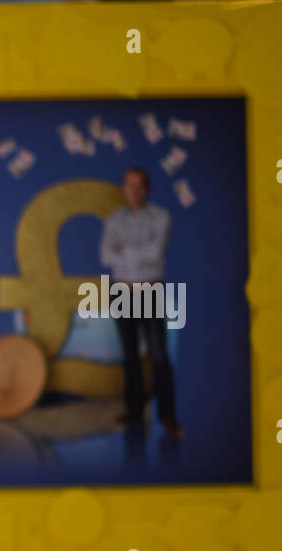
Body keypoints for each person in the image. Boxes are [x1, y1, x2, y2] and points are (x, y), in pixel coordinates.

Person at [99, 166, 183, 439]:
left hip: (148, 291)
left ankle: (168, 417)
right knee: (130, 356)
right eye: (128, 185)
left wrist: (125, 251)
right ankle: (134, 411)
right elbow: (105, 256)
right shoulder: (113, 219)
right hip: (121, 292)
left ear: (146, 189)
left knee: (158, 356)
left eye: (138, 186)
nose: (133, 191)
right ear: (124, 188)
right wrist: (138, 253)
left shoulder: (161, 217)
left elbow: (156, 252)